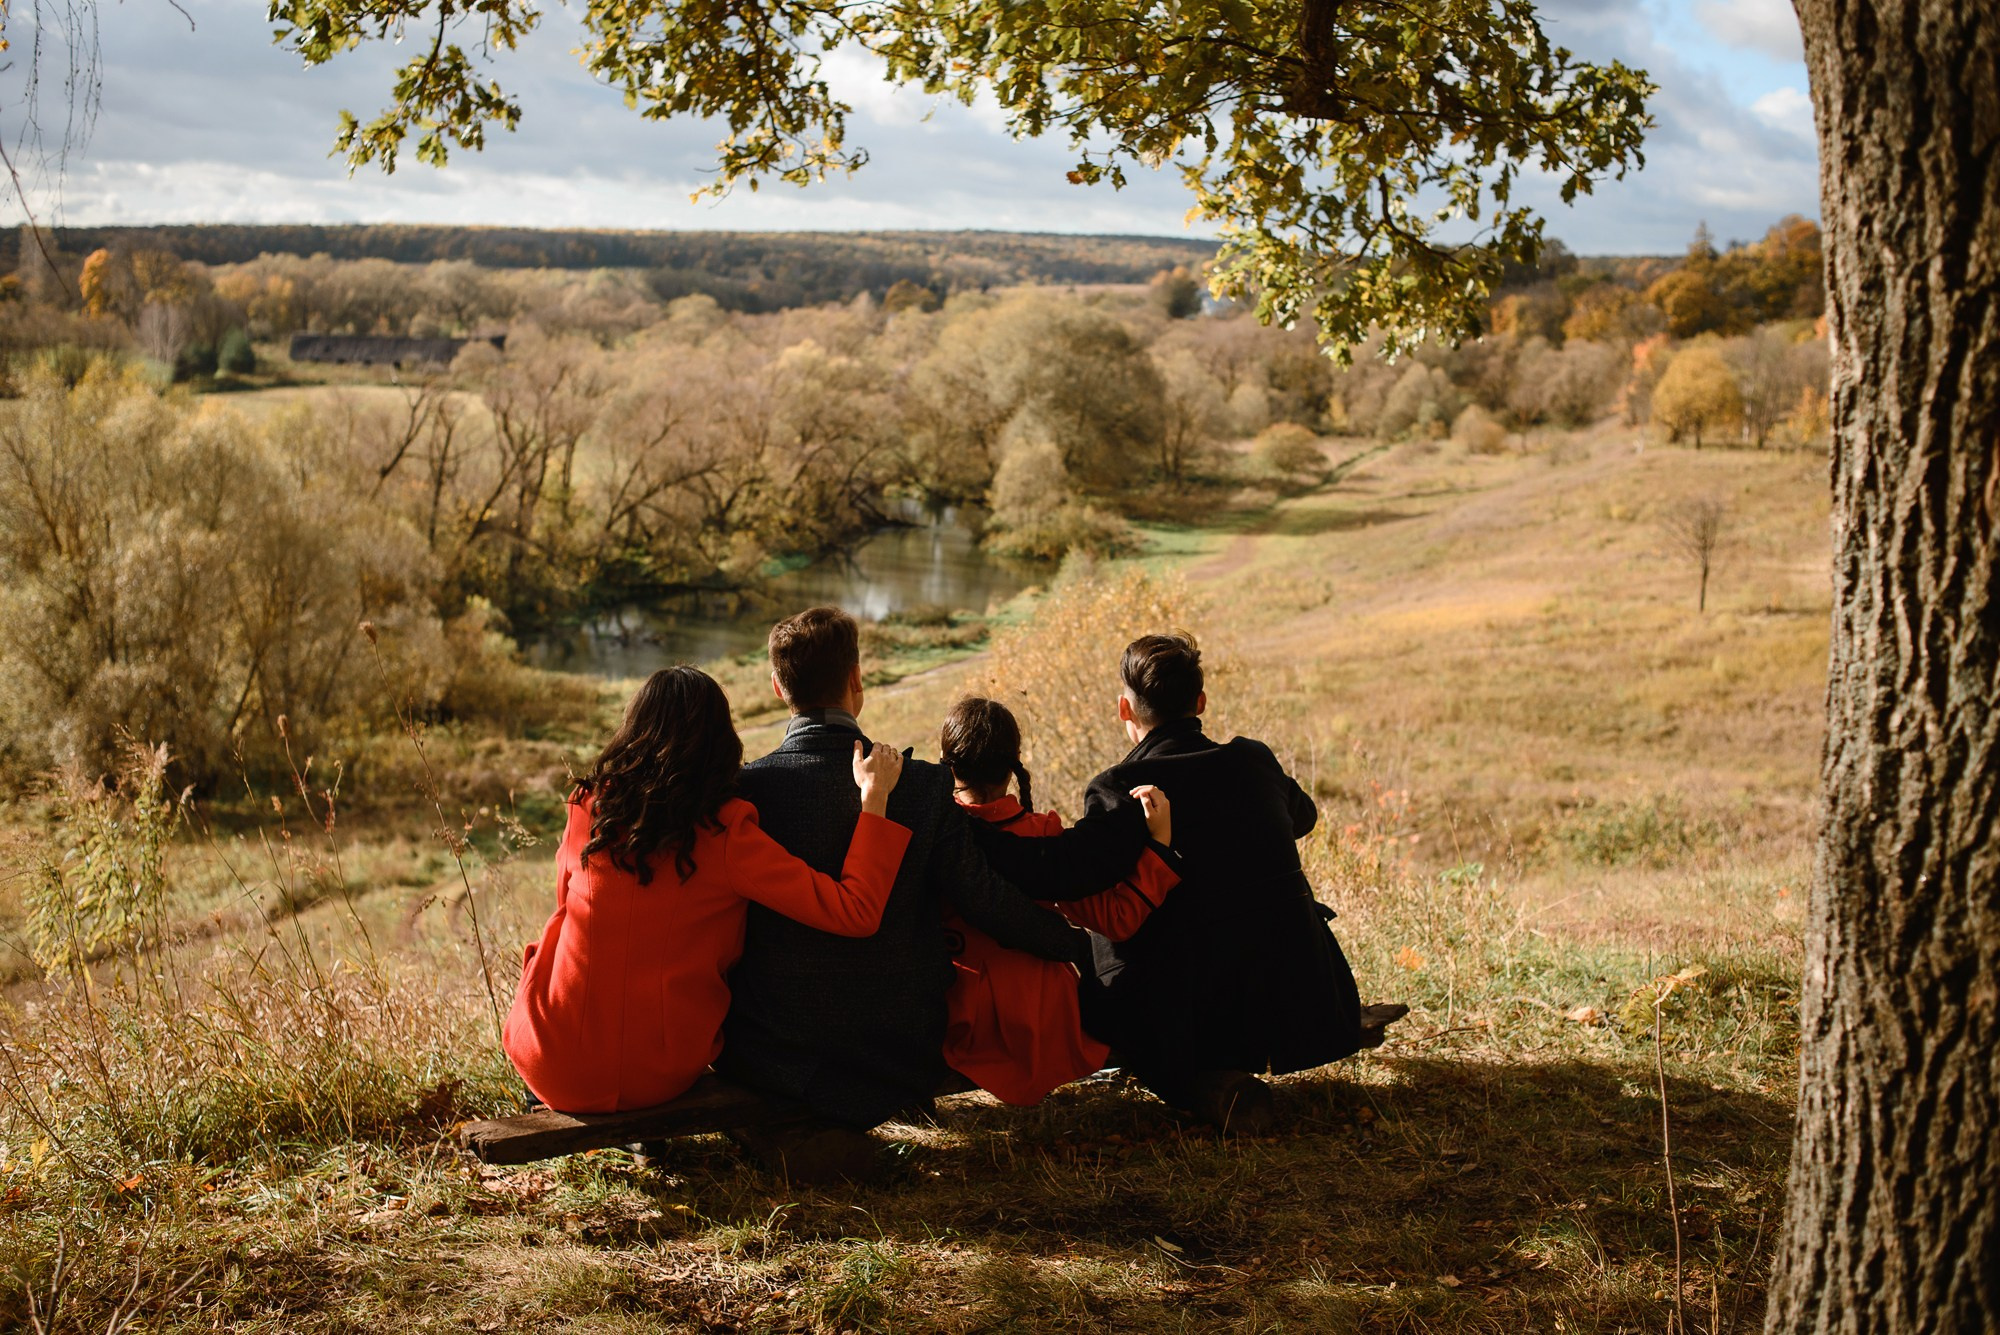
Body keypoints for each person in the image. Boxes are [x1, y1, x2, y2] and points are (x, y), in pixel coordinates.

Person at [717, 606, 1158, 1159]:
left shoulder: (743, 794)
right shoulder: (922, 789)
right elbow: (988, 901)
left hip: (775, 1047)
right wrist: (1075, 946)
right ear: (857, 680)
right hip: (897, 1044)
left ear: (778, 687)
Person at [502, 665, 911, 1115]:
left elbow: (564, 908)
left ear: (632, 729)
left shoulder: (588, 807)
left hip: (549, 1060)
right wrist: (873, 800)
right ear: (721, 740)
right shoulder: (727, 833)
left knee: (557, 931)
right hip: (658, 1073)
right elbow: (854, 911)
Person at [1076, 633, 1375, 1132]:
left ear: (1124, 711)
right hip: (1298, 1001)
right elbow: (1302, 818)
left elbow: (1095, 884)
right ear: (1201, 703)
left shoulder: (1116, 788)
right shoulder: (1253, 759)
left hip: (1193, 1015)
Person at [937, 696, 1179, 1106]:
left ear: (948, 762)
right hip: (1041, 1022)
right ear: (1014, 762)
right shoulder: (1041, 835)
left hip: (957, 1018)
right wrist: (1160, 846)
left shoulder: (933, 832)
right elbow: (1118, 919)